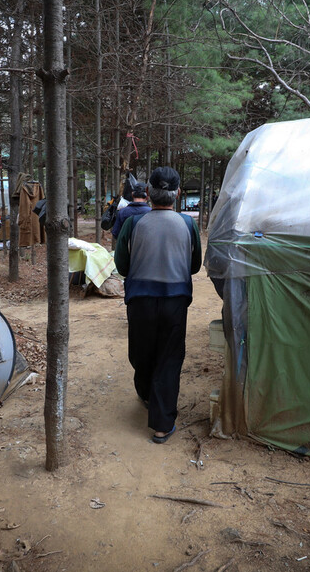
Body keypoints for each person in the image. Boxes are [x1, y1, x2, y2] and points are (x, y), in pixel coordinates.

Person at [115, 166, 202, 443]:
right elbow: (195, 266)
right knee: (169, 356)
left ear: (149, 193)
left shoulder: (133, 224)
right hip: (175, 300)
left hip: (140, 299)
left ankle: (147, 395)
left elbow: (122, 266)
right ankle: (162, 424)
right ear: (177, 193)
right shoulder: (188, 224)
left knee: (141, 350)